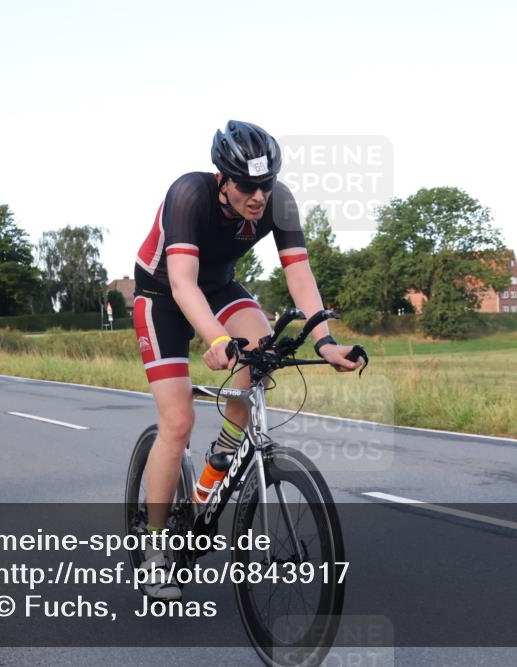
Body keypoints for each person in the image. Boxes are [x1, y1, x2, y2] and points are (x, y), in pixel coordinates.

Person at [132, 120, 362, 600]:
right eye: (246, 186)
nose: (258, 197)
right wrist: (216, 339)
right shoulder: (188, 193)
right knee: (177, 422)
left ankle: (217, 466)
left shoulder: (279, 201)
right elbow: (182, 283)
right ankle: (154, 550)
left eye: (266, 184)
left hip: (219, 288)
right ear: (222, 178)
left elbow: (299, 274)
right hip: (163, 295)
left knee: (261, 356)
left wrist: (325, 341)